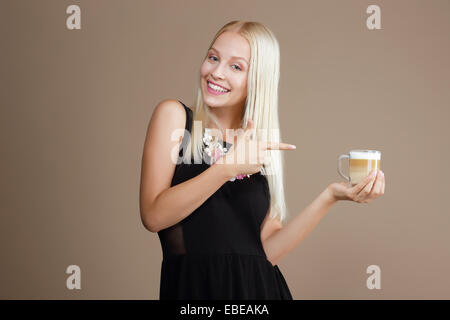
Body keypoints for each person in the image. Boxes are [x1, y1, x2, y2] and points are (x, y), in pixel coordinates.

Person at [139, 21, 385, 300]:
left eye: (236, 66)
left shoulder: (259, 148)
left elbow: (265, 252)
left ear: (258, 79)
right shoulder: (175, 117)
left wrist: (330, 196)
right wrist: (228, 168)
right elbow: (153, 216)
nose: (216, 73)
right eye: (213, 57)